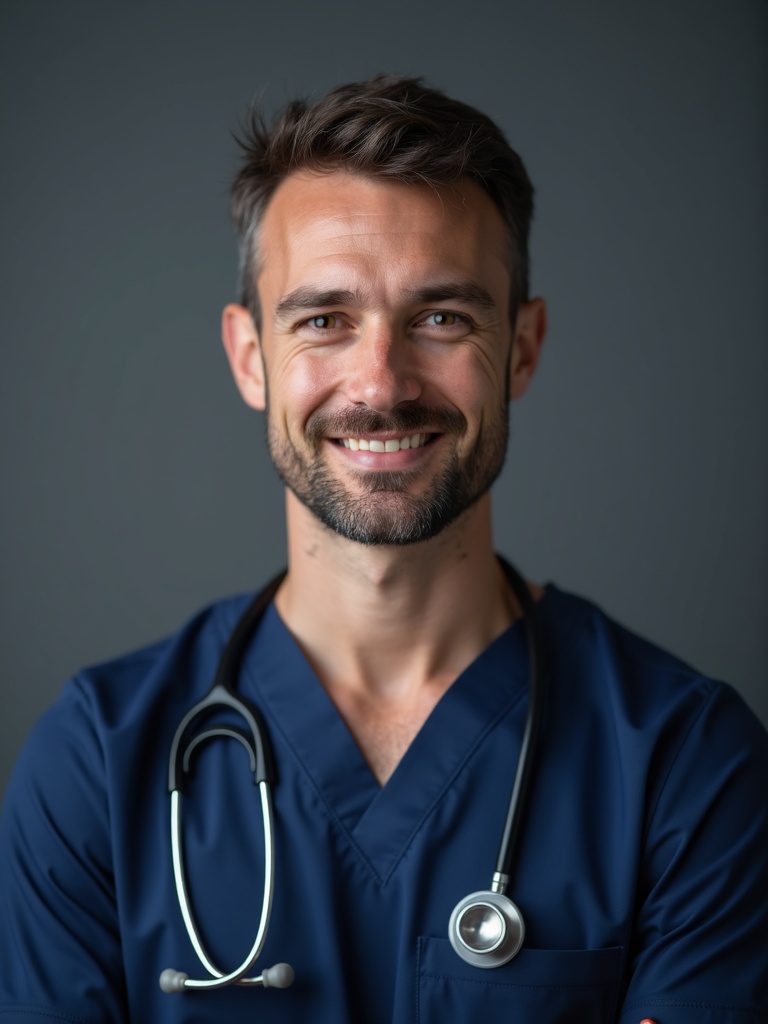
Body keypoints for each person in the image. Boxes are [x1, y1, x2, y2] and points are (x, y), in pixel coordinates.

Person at [1, 75, 766, 1024]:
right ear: (250, 358)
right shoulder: (94, 764)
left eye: (442, 318)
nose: (382, 383)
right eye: (324, 320)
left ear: (522, 348)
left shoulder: (684, 765)